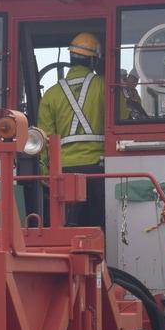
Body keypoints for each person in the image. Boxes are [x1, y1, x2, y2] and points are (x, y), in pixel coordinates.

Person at [38, 32, 106, 228]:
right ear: (94, 61)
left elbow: (44, 139)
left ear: (71, 59)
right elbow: (124, 119)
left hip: (64, 172)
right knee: (102, 224)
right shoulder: (105, 86)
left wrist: (46, 173)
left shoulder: (50, 95)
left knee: (67, 227)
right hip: (99, 170)